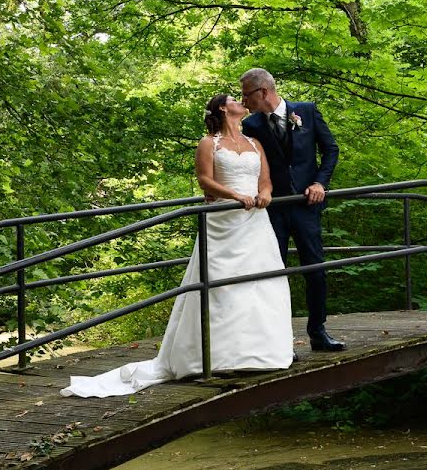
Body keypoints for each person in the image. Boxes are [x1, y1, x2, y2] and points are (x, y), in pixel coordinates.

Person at [61, 95, 293, 398]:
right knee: (220, 286)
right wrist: (236, 196)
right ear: (224, 108)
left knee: (261, 282)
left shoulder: (254, 143)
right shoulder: (209, 143)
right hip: (223, 219)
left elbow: (266, 179)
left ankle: (262, 353)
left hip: (255, 222)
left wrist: (264, 194)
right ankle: (218, 357)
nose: (240, 101)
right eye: (235, 98)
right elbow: (205, 180)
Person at [240, 68, 344, 352]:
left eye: (246, 93)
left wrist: (319, 183)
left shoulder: (307, 112)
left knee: (316, 269)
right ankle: (279, 341)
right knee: (274, 272)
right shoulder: (251, 125)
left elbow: (330, 149)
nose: (243, 100)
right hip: (272, 210)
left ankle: (318, 332)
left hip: (307, 207)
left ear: (263, 92)